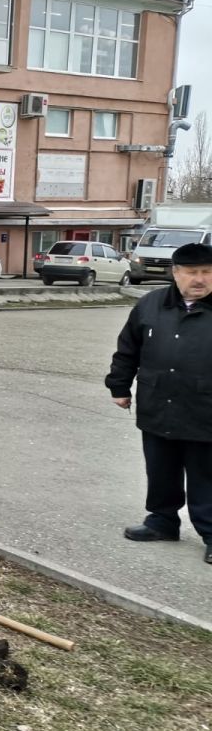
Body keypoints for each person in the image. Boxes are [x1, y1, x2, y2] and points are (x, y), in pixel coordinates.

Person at [105, 241, 212, 566]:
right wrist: (119, 386)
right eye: (192, 272)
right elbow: (128, 349)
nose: (200, 279)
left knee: (206, 476)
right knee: (160, 470)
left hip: (205, 412)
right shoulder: (151, 305)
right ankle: (162, 521)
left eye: (207, 272)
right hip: (158, 405)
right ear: (175, 273)